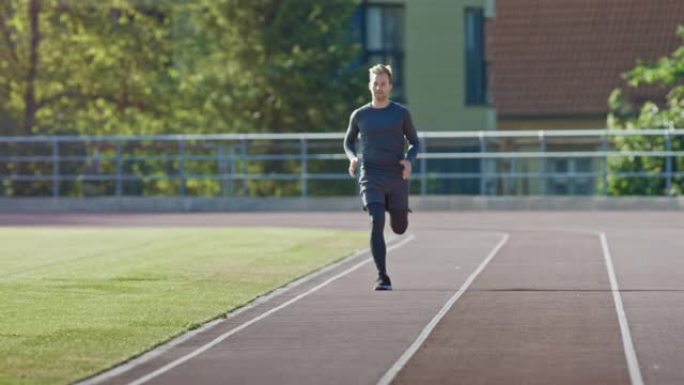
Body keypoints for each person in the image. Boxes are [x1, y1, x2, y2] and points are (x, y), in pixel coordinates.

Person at [343, 64, 420, 291]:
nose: (379, 88)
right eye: (375, 84)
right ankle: (382, 276)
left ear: (390, 86)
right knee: (377, 222)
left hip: (396, 176)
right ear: (369, 85)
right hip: (371, 175)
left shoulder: (400, 113)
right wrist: (352, 158)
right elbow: (348, 141)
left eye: (383, 84)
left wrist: (409, 161)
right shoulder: (360, 115)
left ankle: (395, 207)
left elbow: (415, 142)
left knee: (399, 228)